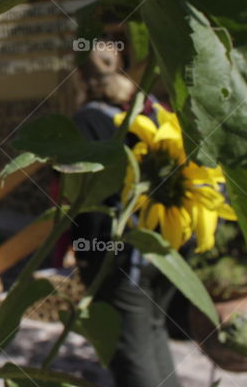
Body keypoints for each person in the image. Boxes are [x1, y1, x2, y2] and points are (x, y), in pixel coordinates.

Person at [71, 46, 181, 387]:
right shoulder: (149, 114)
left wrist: (85, 255)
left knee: (130, 348)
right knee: (154, 328)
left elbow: (84, 197)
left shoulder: (88, 120)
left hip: (118, 254)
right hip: (162, 243)